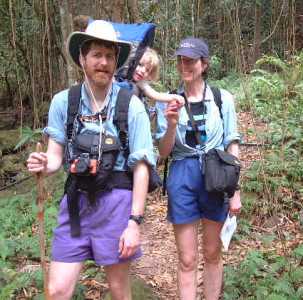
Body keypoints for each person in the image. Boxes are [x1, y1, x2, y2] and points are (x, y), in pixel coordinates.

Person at [27, 20, 155, 300]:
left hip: (117, 204)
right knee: (57, 289)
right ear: (82, 58)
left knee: (120, 290)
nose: (104, 62)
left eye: (110, 56)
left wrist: (135, 223)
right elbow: (55, 158)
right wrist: (42, 163)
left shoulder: (130, 106)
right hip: (76, 203)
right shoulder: (64, 102)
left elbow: (142, 167)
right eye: (97, 54)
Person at [155, 37, 242, 300]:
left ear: (204, 64)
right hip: (182, 175)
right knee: (187, 258)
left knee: (213, 252)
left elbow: (232, 144)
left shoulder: (221, 98)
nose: (185, 65)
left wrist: (235, 189)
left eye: (191, 60)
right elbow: (163, 152)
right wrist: (170, 124)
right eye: (181, 60)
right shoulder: (169, 100)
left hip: (216, 175)